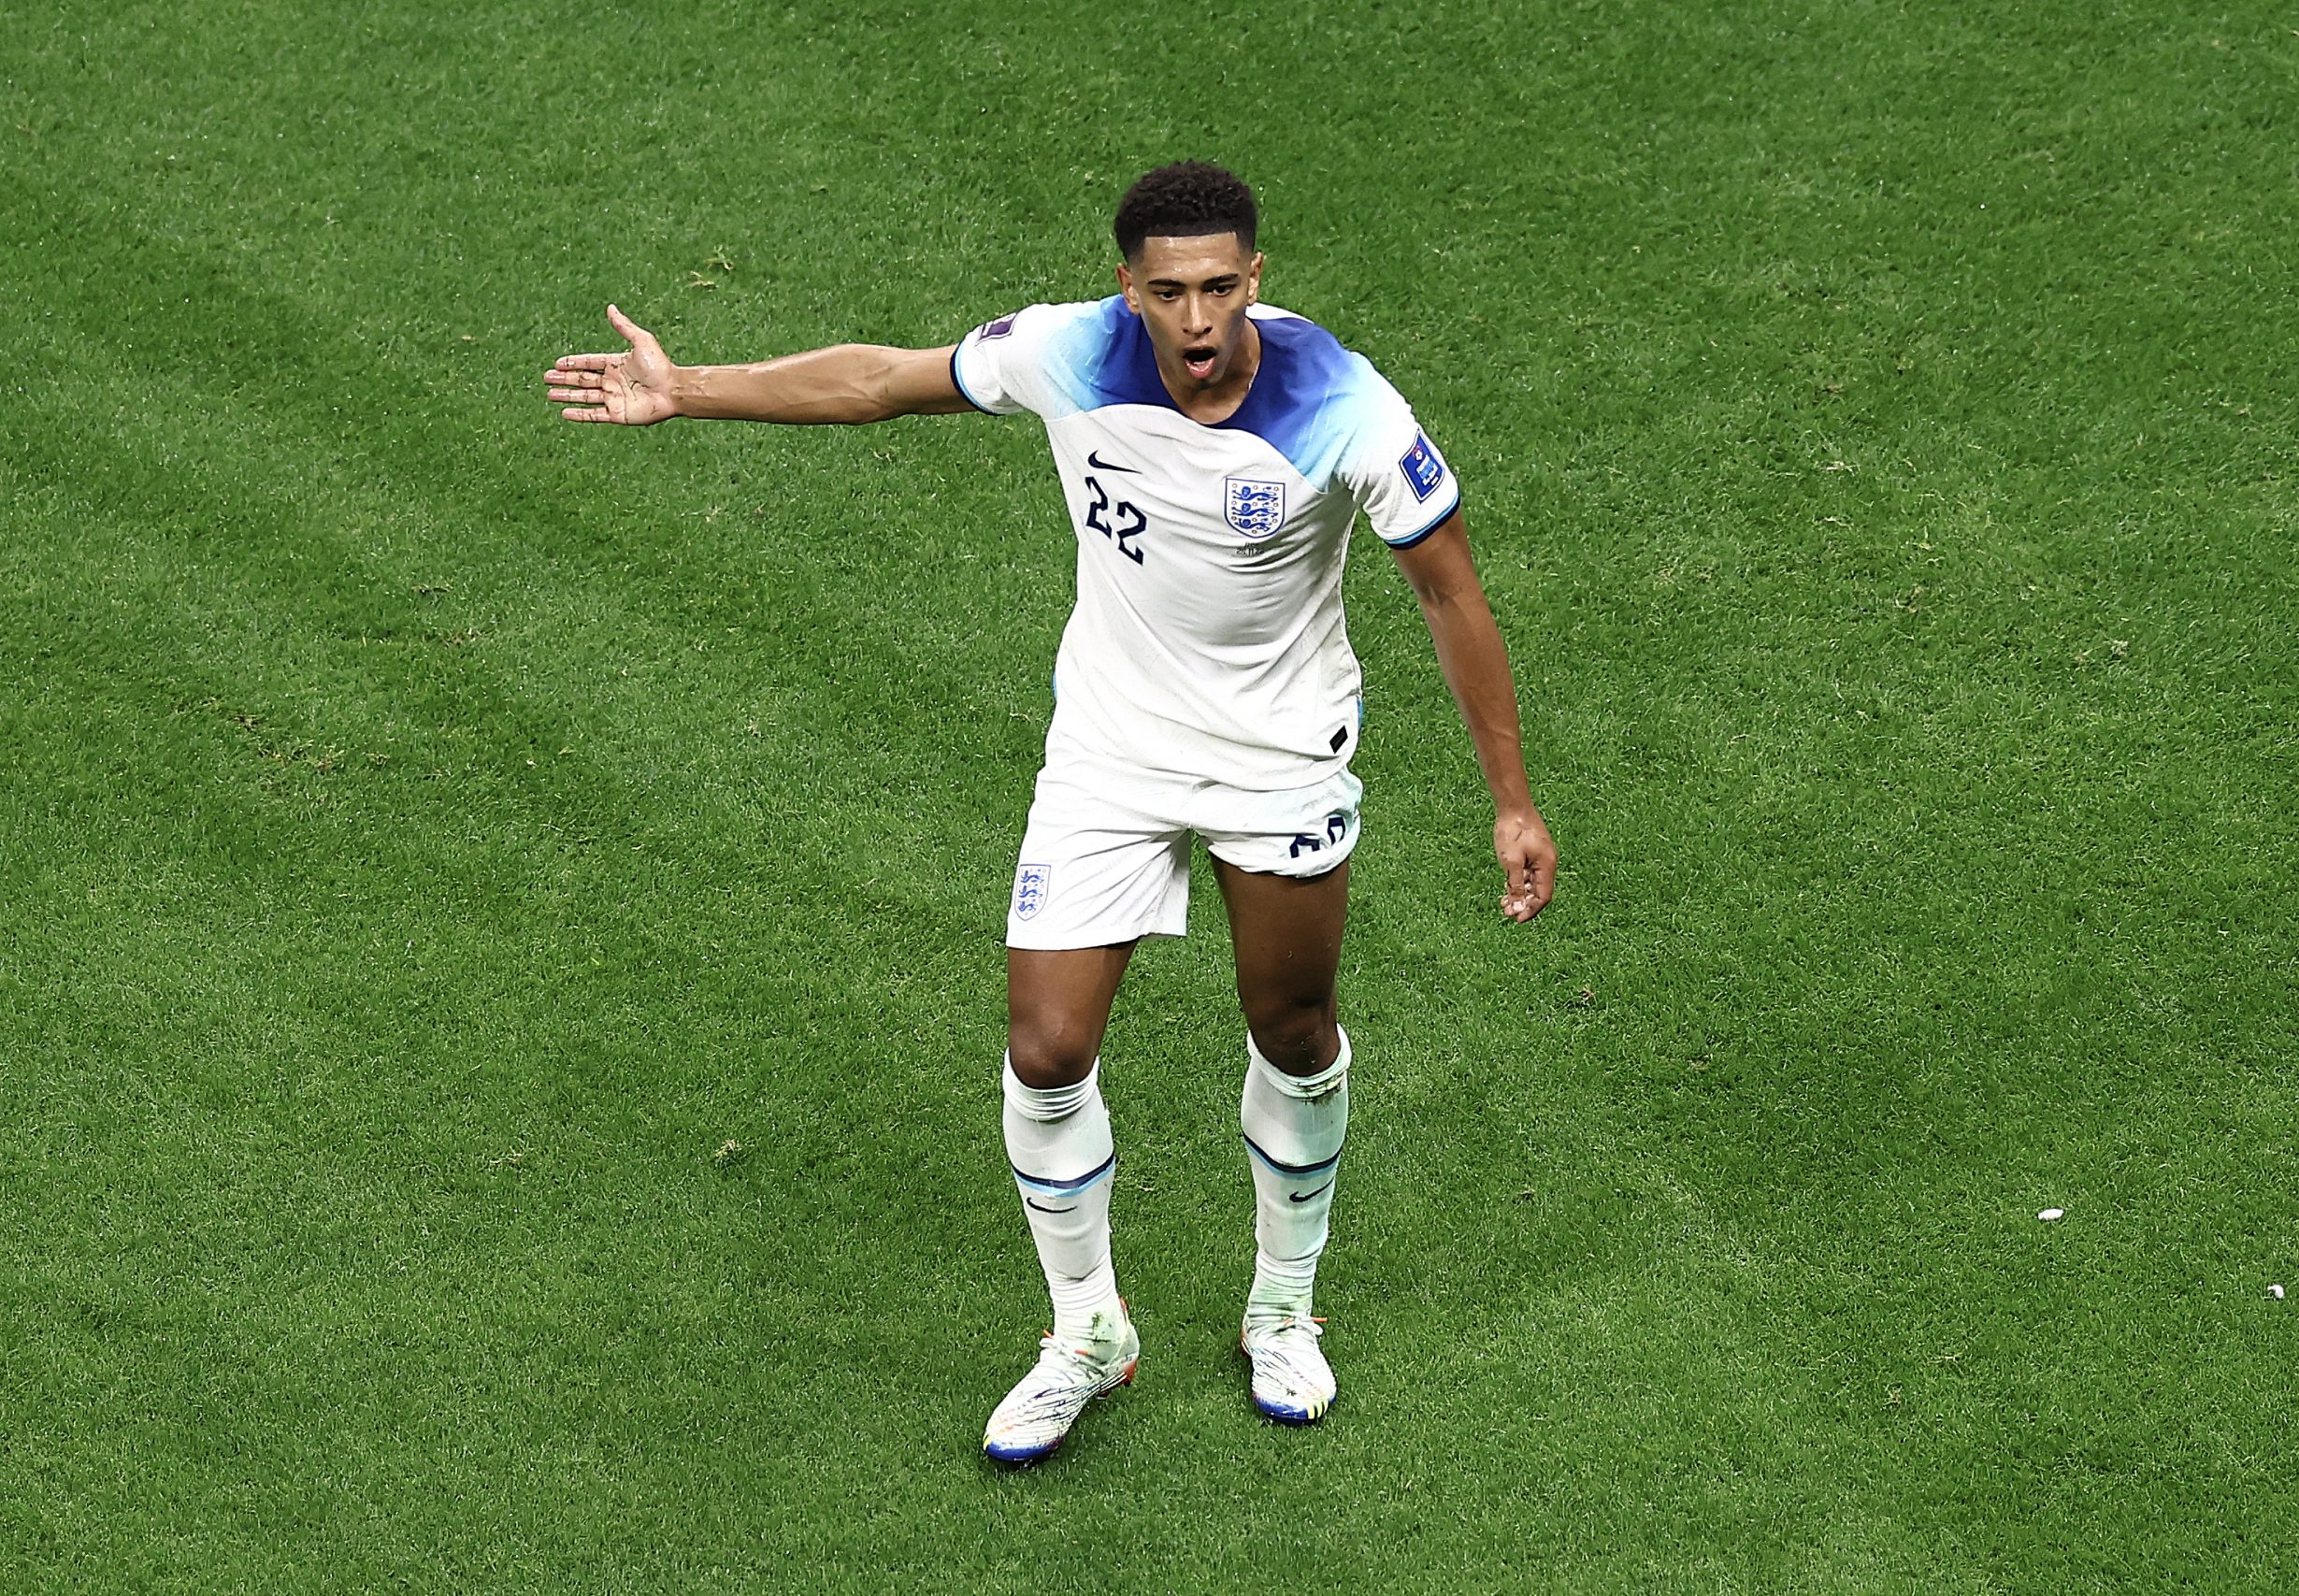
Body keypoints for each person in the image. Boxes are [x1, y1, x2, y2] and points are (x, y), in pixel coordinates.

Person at [543, 161, 1556, 1463]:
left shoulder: (1342, 406)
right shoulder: (1066, 351)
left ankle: (1282, 1307)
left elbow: (1451, 595)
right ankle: (1088, 1330)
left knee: (1293, 1027)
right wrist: (690, 391)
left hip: (1280, 753)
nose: (1197, 320)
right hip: (1112, 751)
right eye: (1168, 291)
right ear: (1127, 285)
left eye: (1221, 288)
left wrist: (1511, 802)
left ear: (1260, 279)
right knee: (1045, 1047)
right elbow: (881, 383)